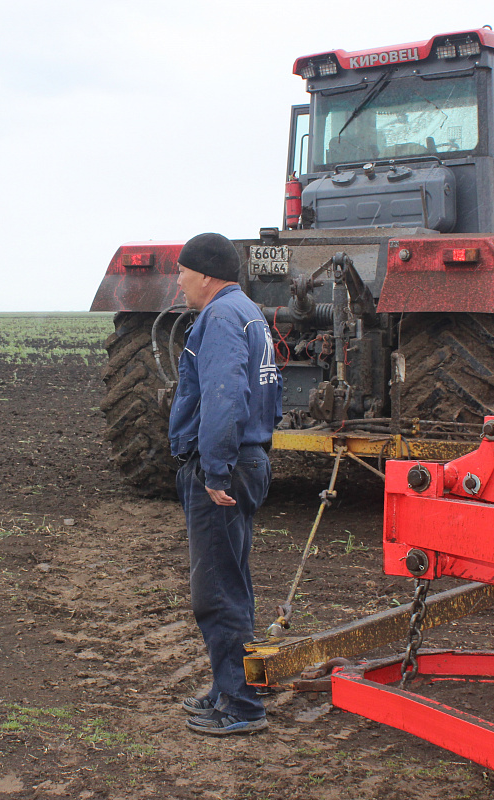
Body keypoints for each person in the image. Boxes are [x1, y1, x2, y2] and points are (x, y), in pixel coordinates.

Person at [168, 232, 283, 736]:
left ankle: (241, 706)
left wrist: (215, 469)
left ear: (207, 274)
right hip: (249, 460)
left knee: (216, 592)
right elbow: (269, 394)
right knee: (235, 584)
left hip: (226, 468)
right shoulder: (249, 313)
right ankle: (229, 687)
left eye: (183, 271)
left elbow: (224, 395)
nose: (178, 280)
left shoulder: (217, 318)